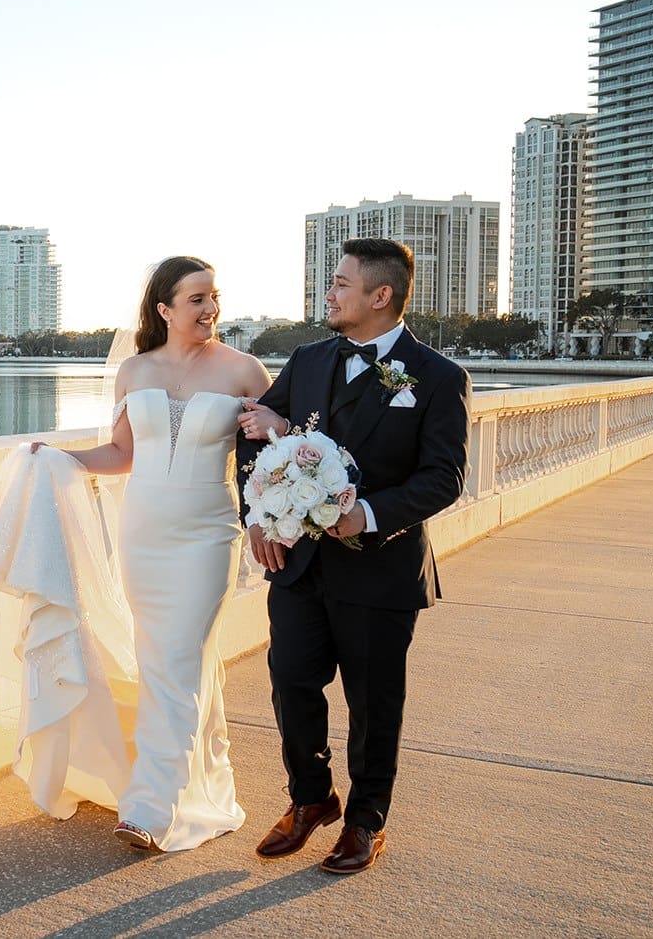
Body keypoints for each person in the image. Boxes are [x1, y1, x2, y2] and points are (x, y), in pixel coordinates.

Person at [237, 237, 470, 874]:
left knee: (373, 702)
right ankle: (311, 800)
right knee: (290, 681)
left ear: (380, 295)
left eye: (340, 283)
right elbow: (257, 429)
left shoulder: (438, 378)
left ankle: (367, 820)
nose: (329, 293)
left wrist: (362, 516)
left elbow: (443, 477)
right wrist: (256, 516)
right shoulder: (310, 359)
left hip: (381, 569)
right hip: (298, 563)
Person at [29, 255, 270, 852]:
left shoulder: (245, 371)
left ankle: (149, 807)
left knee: (178, 658)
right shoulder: (134, 372)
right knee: (168, 660)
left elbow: (268, 462)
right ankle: (202, 780)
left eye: (215, 296)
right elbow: (122, 453)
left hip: (209, 534)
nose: (211, 308)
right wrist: (64, 461)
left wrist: (281, 434)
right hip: (144, 533)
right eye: (197, 299)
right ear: (164, 309)